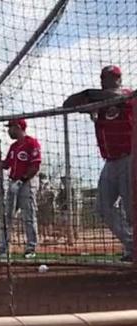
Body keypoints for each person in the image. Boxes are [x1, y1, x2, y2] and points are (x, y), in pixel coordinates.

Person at [63, 65, 136, 261]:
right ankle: (131, 245)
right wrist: (88, 96)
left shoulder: (128, 96)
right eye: (103, 78)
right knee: (103, 207)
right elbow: (67, 104)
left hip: (130, 158)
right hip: (110, 162)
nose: (105, 81)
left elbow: (119, 95)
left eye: (110, 78)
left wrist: (95, 98)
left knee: (132, 210)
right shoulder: (98, 101)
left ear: (119, 79)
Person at [0, 119, 42, 258]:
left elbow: (35, 166)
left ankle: (31, 248)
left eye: (11, 127)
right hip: (13, 182)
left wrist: (21, 181)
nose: (9, 130)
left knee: (28, 215)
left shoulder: (32, 143)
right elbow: (6, 164)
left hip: (27, 183)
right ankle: (4, 248)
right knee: (7, 215)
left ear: (18, 127)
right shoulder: (14, 146)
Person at [37, 173, 56, 239]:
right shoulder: (38, 185)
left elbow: (53, 195)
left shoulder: (48, 185)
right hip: (41, 205)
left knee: (47, 221)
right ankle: (42, 236)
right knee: (41, 221)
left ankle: (47, 235)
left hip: (47, 206)